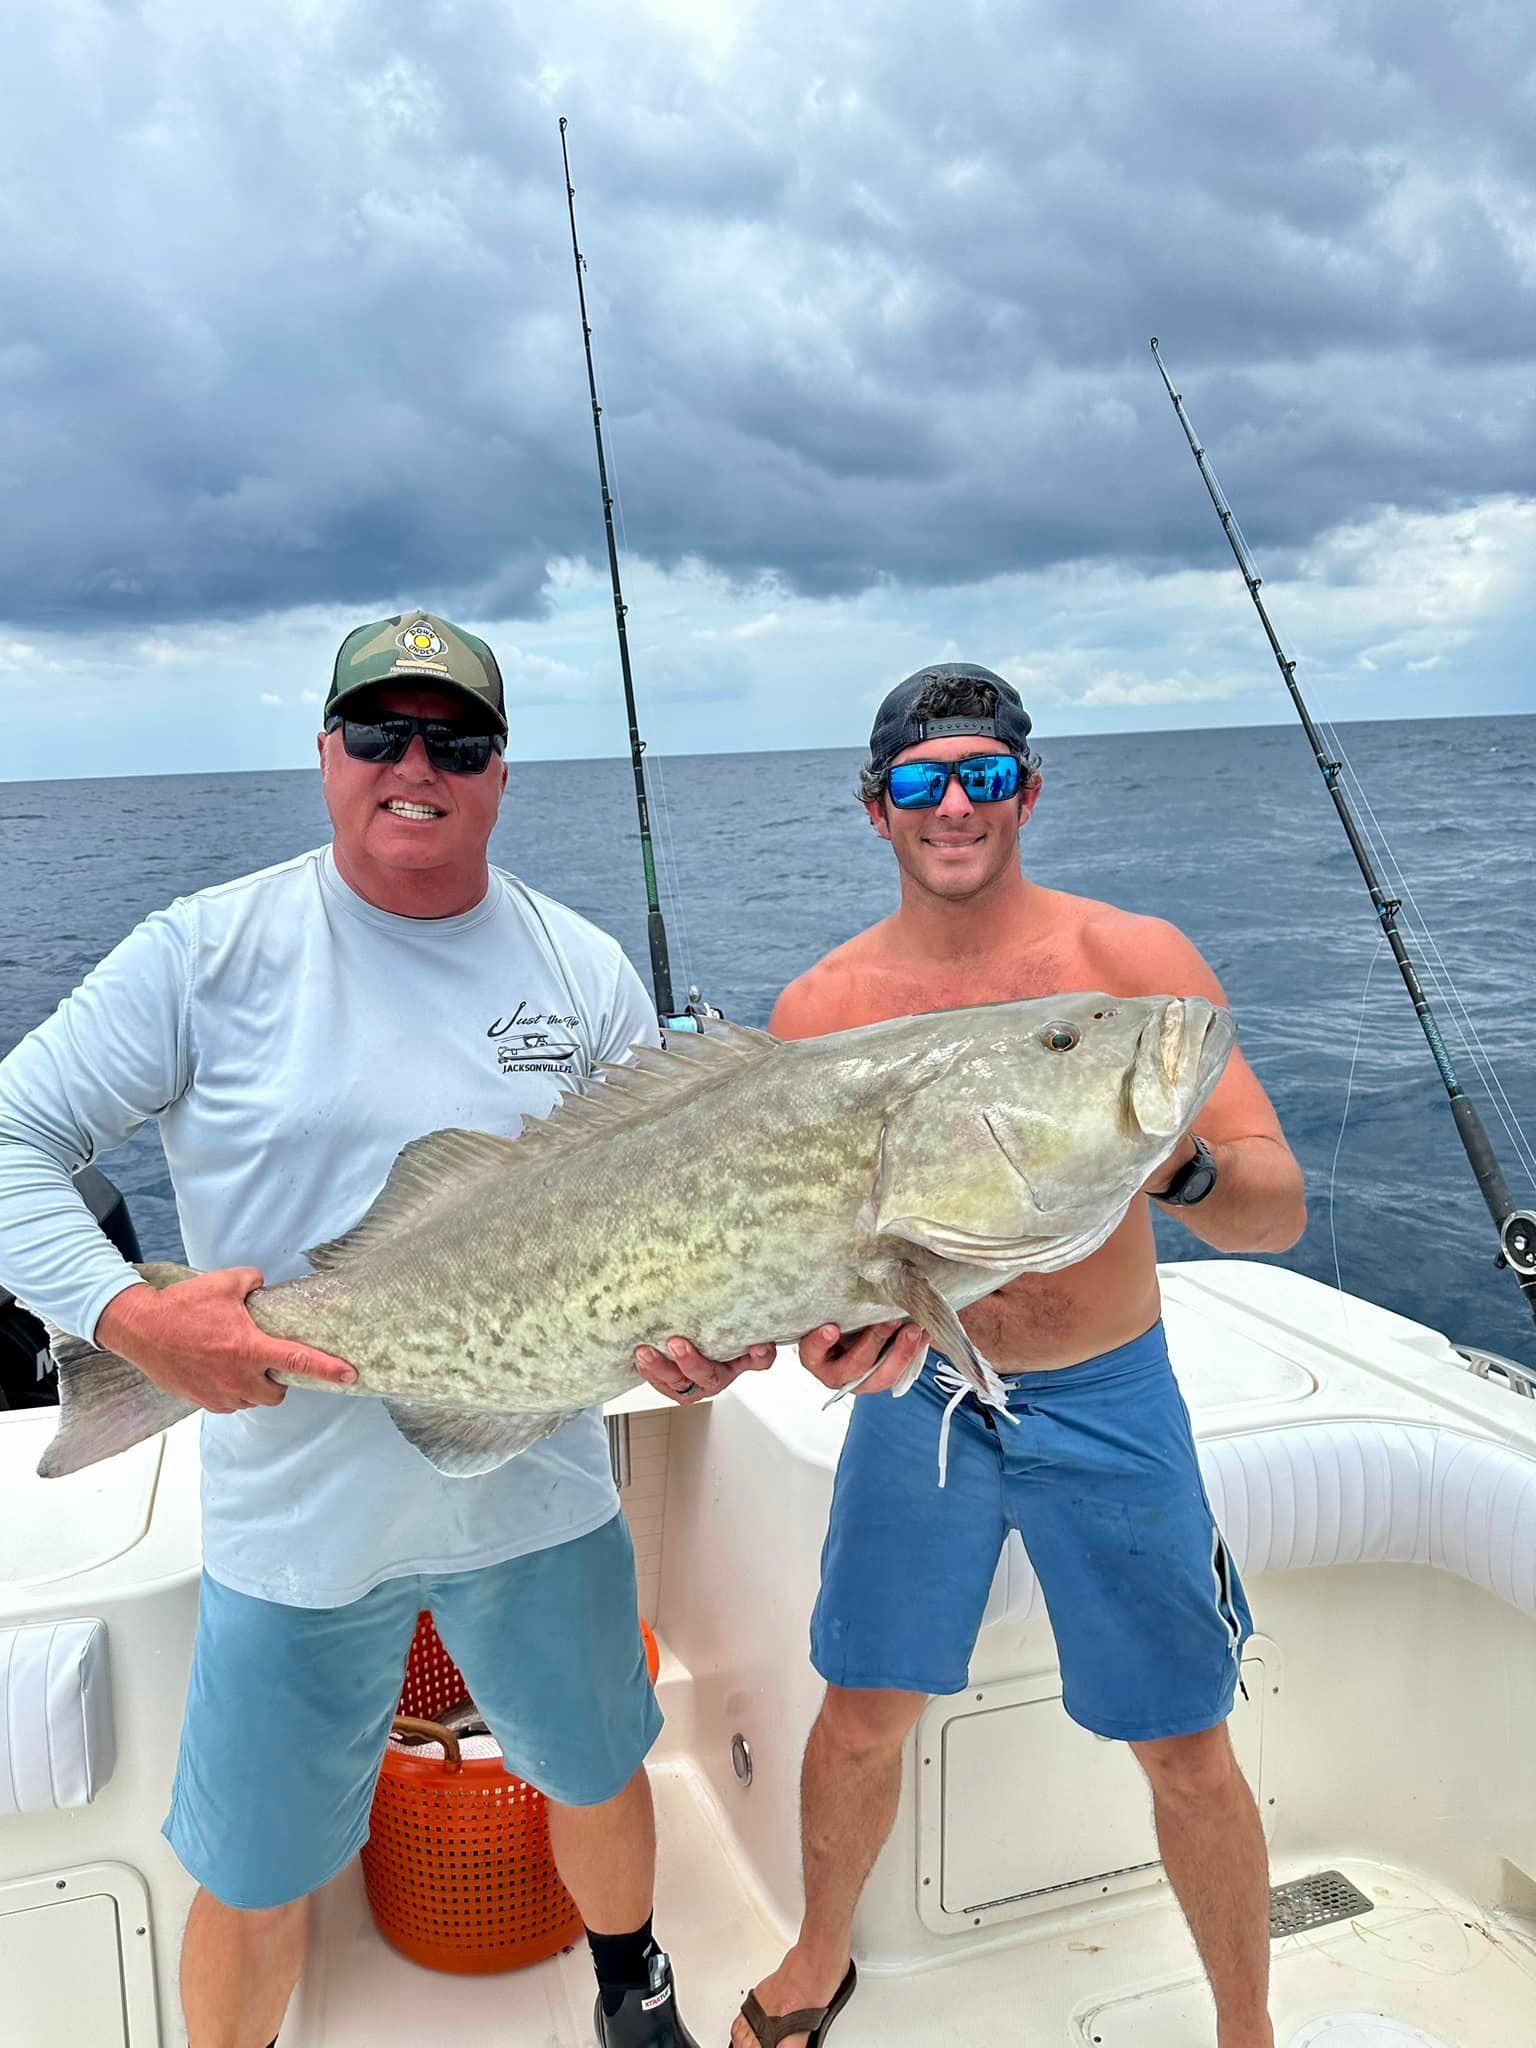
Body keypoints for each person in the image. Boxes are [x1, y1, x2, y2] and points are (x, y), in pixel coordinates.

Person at [0, 612, 760, 2048]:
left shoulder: (582, 966)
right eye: (378, 732)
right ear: (325, 752)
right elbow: (11, 1134)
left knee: (601, 1773)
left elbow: (675, 1216)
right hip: (297, 1523)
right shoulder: (204, 950)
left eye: (457, 741)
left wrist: (695, 1339)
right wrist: (130, 1315)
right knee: (255, 1866)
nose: (417, 765)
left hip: (539, 1489)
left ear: (500, 773)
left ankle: (631, 1984)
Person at [644, 663, 1306, 2048]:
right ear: (877, 808)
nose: (956, 805)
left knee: (1185, 1736)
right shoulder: (824, 1006)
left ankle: (1247, 2028)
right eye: (924, 780)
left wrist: (1167, 1164)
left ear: (1028, 791)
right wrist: (829, 1351)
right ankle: (820, 1953)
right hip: (924, 1402)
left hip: (1110, 1400)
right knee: (864, 1707)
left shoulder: (1132, 974)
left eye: (986, 776)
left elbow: (1274, 1209)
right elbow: (818, 1308)